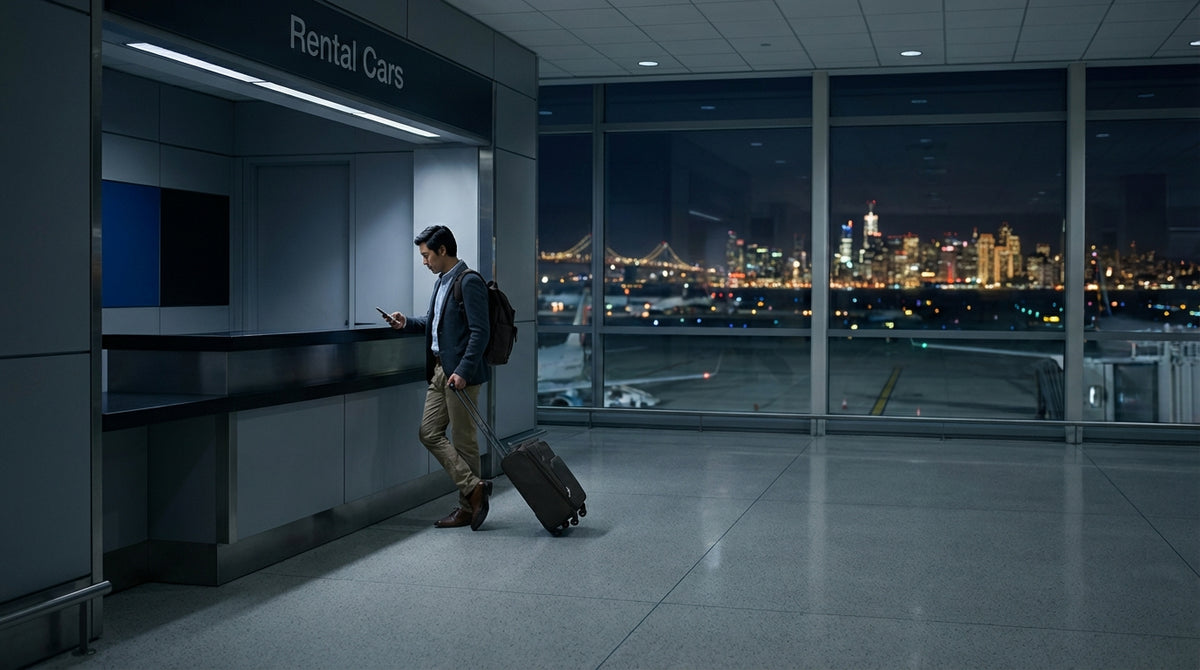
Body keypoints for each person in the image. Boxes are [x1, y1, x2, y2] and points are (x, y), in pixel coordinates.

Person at [383, 225, 492, 530]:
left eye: (426, 255)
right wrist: (406, 322)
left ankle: (467, 507)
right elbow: (437, 326)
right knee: (428, 432)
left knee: (464, 441)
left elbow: (480, 332)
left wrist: (463, 371)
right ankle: (474, 488)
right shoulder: (442, 283)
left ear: (442, 251)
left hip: (460, 373)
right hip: (440, 370)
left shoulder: (468, 281)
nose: (424, 261)